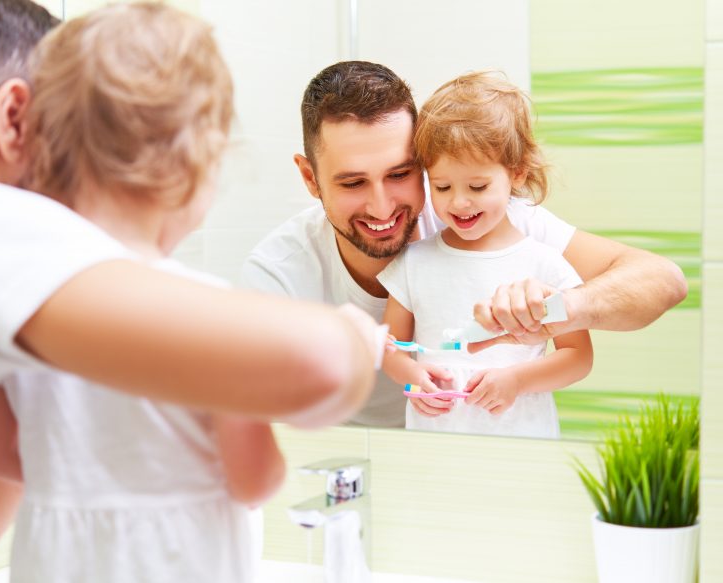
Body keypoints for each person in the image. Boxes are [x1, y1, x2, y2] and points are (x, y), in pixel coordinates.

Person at [0, 1, 377, 580]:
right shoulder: (211, 318)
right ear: (200, 170)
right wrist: (356, 336)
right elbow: (263, 463)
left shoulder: (9, 310)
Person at [241, 60, 686, 427]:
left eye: (401, 174)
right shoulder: (278, 275)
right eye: (353, 182)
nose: (381, 207)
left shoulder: (495, 222)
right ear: (309, 178)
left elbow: (664, 281)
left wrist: (555, 309)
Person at [379, 71, 593, 437]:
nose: (459, 202)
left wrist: (517, 381)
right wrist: (412, 377)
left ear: (516, 173)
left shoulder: (544, 264)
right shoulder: (414, 262)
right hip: (435, 447)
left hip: (521, 444)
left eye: (478, 186)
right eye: (442, 186)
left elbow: (578, 357)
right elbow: (388, 346)